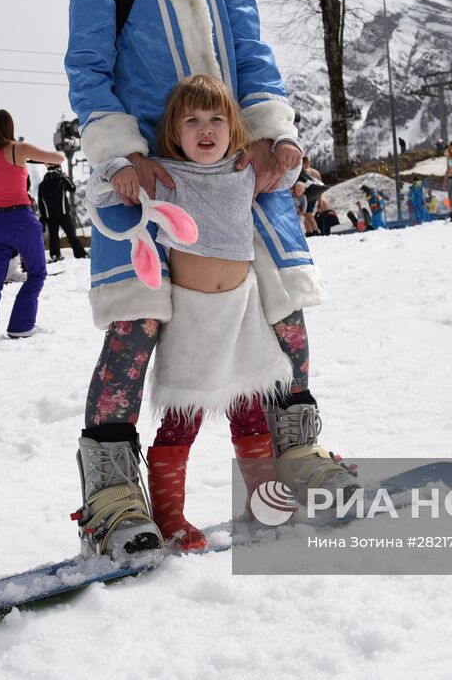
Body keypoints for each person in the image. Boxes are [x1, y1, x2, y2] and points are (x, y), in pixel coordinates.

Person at [64, 0, 344, 562]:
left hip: (236, 165)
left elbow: (250, 49)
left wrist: (275, 136)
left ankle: (298, 454)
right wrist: (122, 155)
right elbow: (87, 69)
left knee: (280, 305)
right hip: (149, 181)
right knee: (137, 323)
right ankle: (113, 493)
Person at [87, 75, 303, 551]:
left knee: (249, 410)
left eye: (216, 120)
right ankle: (170, 517)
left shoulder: (245, 168)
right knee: (183, 418)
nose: (206, 130)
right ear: (174, 130)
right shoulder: (165, 176)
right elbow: (99, 192)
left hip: (242, 311)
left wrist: (286, 145)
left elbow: (287, 172)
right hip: (192, 318)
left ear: (233, 128)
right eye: (192, 121)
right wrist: (120, 169)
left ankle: (264, 503)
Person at [0, 110, 66, 343]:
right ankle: (21, 325)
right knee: (36, 273)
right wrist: (41, 157)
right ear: (10, 127)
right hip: (21, 220)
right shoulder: (19, 149)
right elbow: (59, 158)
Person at [37, 165, 88, 262]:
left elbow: (41, 202)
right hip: (63, 213)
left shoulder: (42, 184)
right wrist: (65, 177)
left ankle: (55, 255)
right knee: (71, 235)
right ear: (58, 169)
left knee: (53, 236)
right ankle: (80, 254)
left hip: (49, 215)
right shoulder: (61, 180)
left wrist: (43, 217)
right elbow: (72, 188)